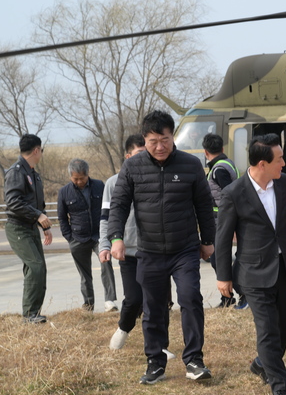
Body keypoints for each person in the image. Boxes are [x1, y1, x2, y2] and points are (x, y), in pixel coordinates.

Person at [108, 110, 216, 385]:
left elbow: (204, 204)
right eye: (153, 140)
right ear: (144, 140)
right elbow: (119, 204)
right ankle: (155, 362)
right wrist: (116, 237)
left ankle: (194, 360)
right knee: (153, 307)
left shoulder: (190, 165)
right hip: (150, 251)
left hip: (185, 249)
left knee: (191, 298)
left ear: (172, 137)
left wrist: (208, 241)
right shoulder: (132, 167)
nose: (159, 146)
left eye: (165, 139)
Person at [215, 134, 286, 395]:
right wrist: (223, 277)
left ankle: (262, 363)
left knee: (283, 327)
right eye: (280, 159)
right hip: (252, 274)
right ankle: (280, 387)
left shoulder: (283, 184)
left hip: (283, 269)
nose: (284, 164)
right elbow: (223, 238)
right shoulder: (234, 193)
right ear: (262, 164)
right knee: (268, 330)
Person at [99, 134, 175, 359]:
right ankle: (124, 327)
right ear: (128, 156)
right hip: (129, 251)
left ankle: (159, 345)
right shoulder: (113, 183)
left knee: (159, 300)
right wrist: (107, 244)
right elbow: (106, 218)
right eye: (139, 154)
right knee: (133, 299)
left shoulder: (158, 177)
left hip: (156, 249)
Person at [57, 158, 117, 312]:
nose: (79, 181)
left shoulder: (99, 186)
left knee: (106, 265)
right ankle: (88, 304)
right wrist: (69, 237)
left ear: (87, 174)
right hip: (77, 238)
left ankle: (109, 300)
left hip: (99, 236)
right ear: (70, 176)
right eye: (75, 179)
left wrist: (108, 232)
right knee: (85, 274)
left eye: (82, 178)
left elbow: (108, 208)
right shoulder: (64, 192)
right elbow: (62, 218)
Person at [4, 134, 52, 323]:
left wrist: (44, 225)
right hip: (18, 228)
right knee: (35, 266)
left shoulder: (34, 174)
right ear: (36, 150)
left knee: (39, 268)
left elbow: (38, 204)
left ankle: (34, 312)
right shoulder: (16, 172)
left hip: (32, 226)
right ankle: (30, 314)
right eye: (41, 151)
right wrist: (38, 216)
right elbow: (13, 202)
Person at [201, 132, 246, 309]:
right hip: (222, 220)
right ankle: (228, 298)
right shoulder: (227, 164)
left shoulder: (219, 169)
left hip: (222, 220)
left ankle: (241, 293)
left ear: (205, 152)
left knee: (218, 260)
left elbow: (228, 194)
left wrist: (232, 222)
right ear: (222, 148)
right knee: (218, 260)